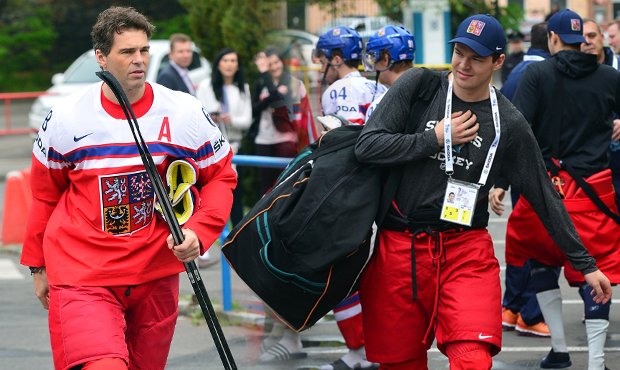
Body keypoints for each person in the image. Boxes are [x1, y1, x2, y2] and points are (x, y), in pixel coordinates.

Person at [354, 13, 611, 369]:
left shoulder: (509, 120)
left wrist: (585, 264)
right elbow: (368, 147)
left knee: (473, 359)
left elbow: (542, 193)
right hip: (401, 248)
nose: (464, 64)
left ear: (498, 61)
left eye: (476, 57)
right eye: (459, 52)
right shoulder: (419, 87)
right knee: (401, 361)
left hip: (465, 249)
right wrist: (433, 139)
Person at [20, 6, 236, 370]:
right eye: (127, 52)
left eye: (144, 50)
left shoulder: (184, 111)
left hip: (155, 274)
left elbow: (220, 177)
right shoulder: (66, 117)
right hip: (82, 275)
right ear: (101, 57)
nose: (139, 60)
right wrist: (37, 267)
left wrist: (199, 232)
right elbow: (44, 195)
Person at [510, 9, 620, 369]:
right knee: (597, 271)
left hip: (545, 188)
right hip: (594, 189)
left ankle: (559, 351)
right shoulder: (608, 77)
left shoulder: (535, 74)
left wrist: (499, 183)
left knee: (542, 262)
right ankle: (596, 361)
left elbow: (518, 128)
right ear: (582, 39)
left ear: (553, 39)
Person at [312, 25, 389, 370]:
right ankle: (367, 349)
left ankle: (360, 351)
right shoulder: (378, 86)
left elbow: (337, 141)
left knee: (338, 270)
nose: (319, 66)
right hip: (380, 187)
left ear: (337, 58)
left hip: (346, 187)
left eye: (323, 59)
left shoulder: (335, 92)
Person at [490, 22, 552, 338]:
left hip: (517, 169)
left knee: (520, 240)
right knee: (541, 243)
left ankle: (512, 307)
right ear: (553, 41)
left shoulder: (516, 72)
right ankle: (529, 312)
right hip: (542, 170)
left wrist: (502, 176)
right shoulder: (548, 74)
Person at [196, 48, 251, 268]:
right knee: (208, 195)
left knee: (235, 198)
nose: (229, 64)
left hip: (236, 145)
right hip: (212, 148)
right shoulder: (207, 86)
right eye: (225, 60)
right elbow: (199, 114)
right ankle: (205, 246)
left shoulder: (242, 88)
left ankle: (236, 245)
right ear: (218, 63)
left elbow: (246, 120)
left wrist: (231, 120)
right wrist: (215, 115)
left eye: (233, 60)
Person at [582, 18, 620, 209]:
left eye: (592, 35)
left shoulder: (617, 67)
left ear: (602, 38)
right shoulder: (574, 74)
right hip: (590, 171)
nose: (587, 41)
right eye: (582, 38)